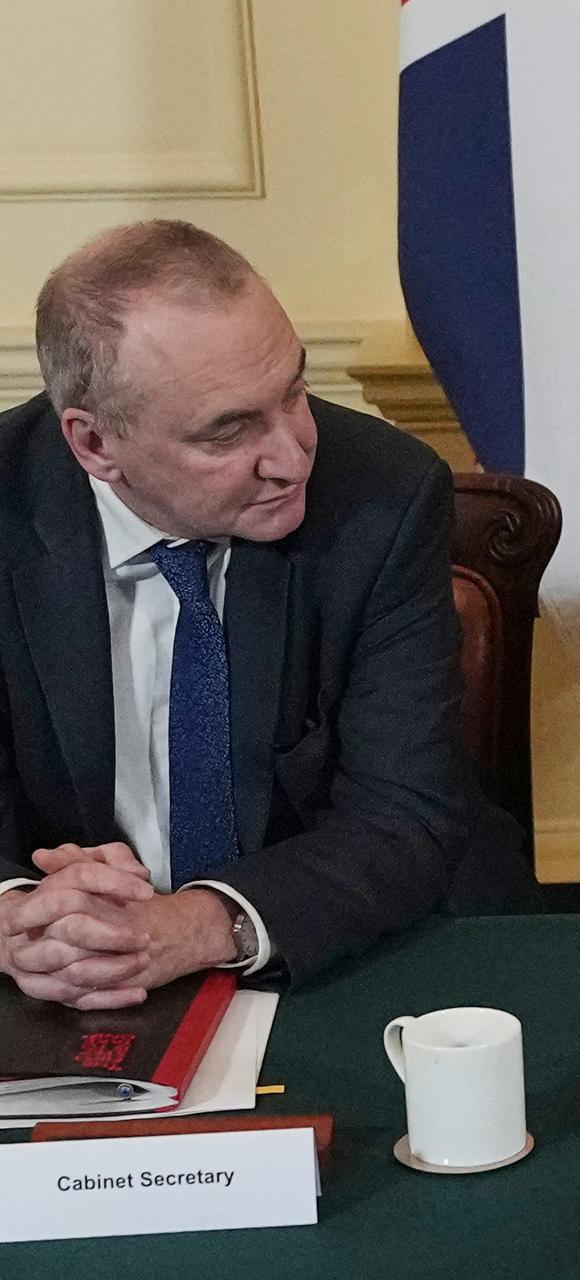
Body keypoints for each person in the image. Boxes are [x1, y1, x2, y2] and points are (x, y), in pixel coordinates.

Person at [0, 220, 538, 1009]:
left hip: (335, 947)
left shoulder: (382, 496)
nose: (292, 456)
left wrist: (197, 925)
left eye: (293, 391)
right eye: (229, 430)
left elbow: (407, 809)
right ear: (94, 444)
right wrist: (19, 916)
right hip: (62, 982)